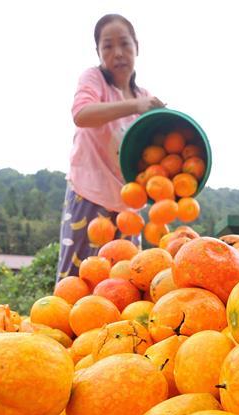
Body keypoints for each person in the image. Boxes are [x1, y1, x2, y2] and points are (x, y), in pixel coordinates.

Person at [57, 13, 165, 280]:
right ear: (98, 52)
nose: (118, 53)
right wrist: (134, 106)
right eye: (108, 46)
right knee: (78, 280)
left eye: (124, 44)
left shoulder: (146, 99)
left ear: (136, 46)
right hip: (90, 196)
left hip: (129, 206)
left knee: (127, 282)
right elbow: (82, 114)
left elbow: (158, 156)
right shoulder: (95, 80)